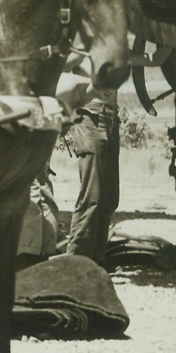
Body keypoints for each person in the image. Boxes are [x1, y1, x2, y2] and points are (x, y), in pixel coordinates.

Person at [63, 82, 120, 268]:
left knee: (109, 197)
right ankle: (77, 261)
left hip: (111, 115)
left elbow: (152, 60)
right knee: (92, 194)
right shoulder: (85, 52)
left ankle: (97, 260)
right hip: (90, 114)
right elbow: (67, 66)